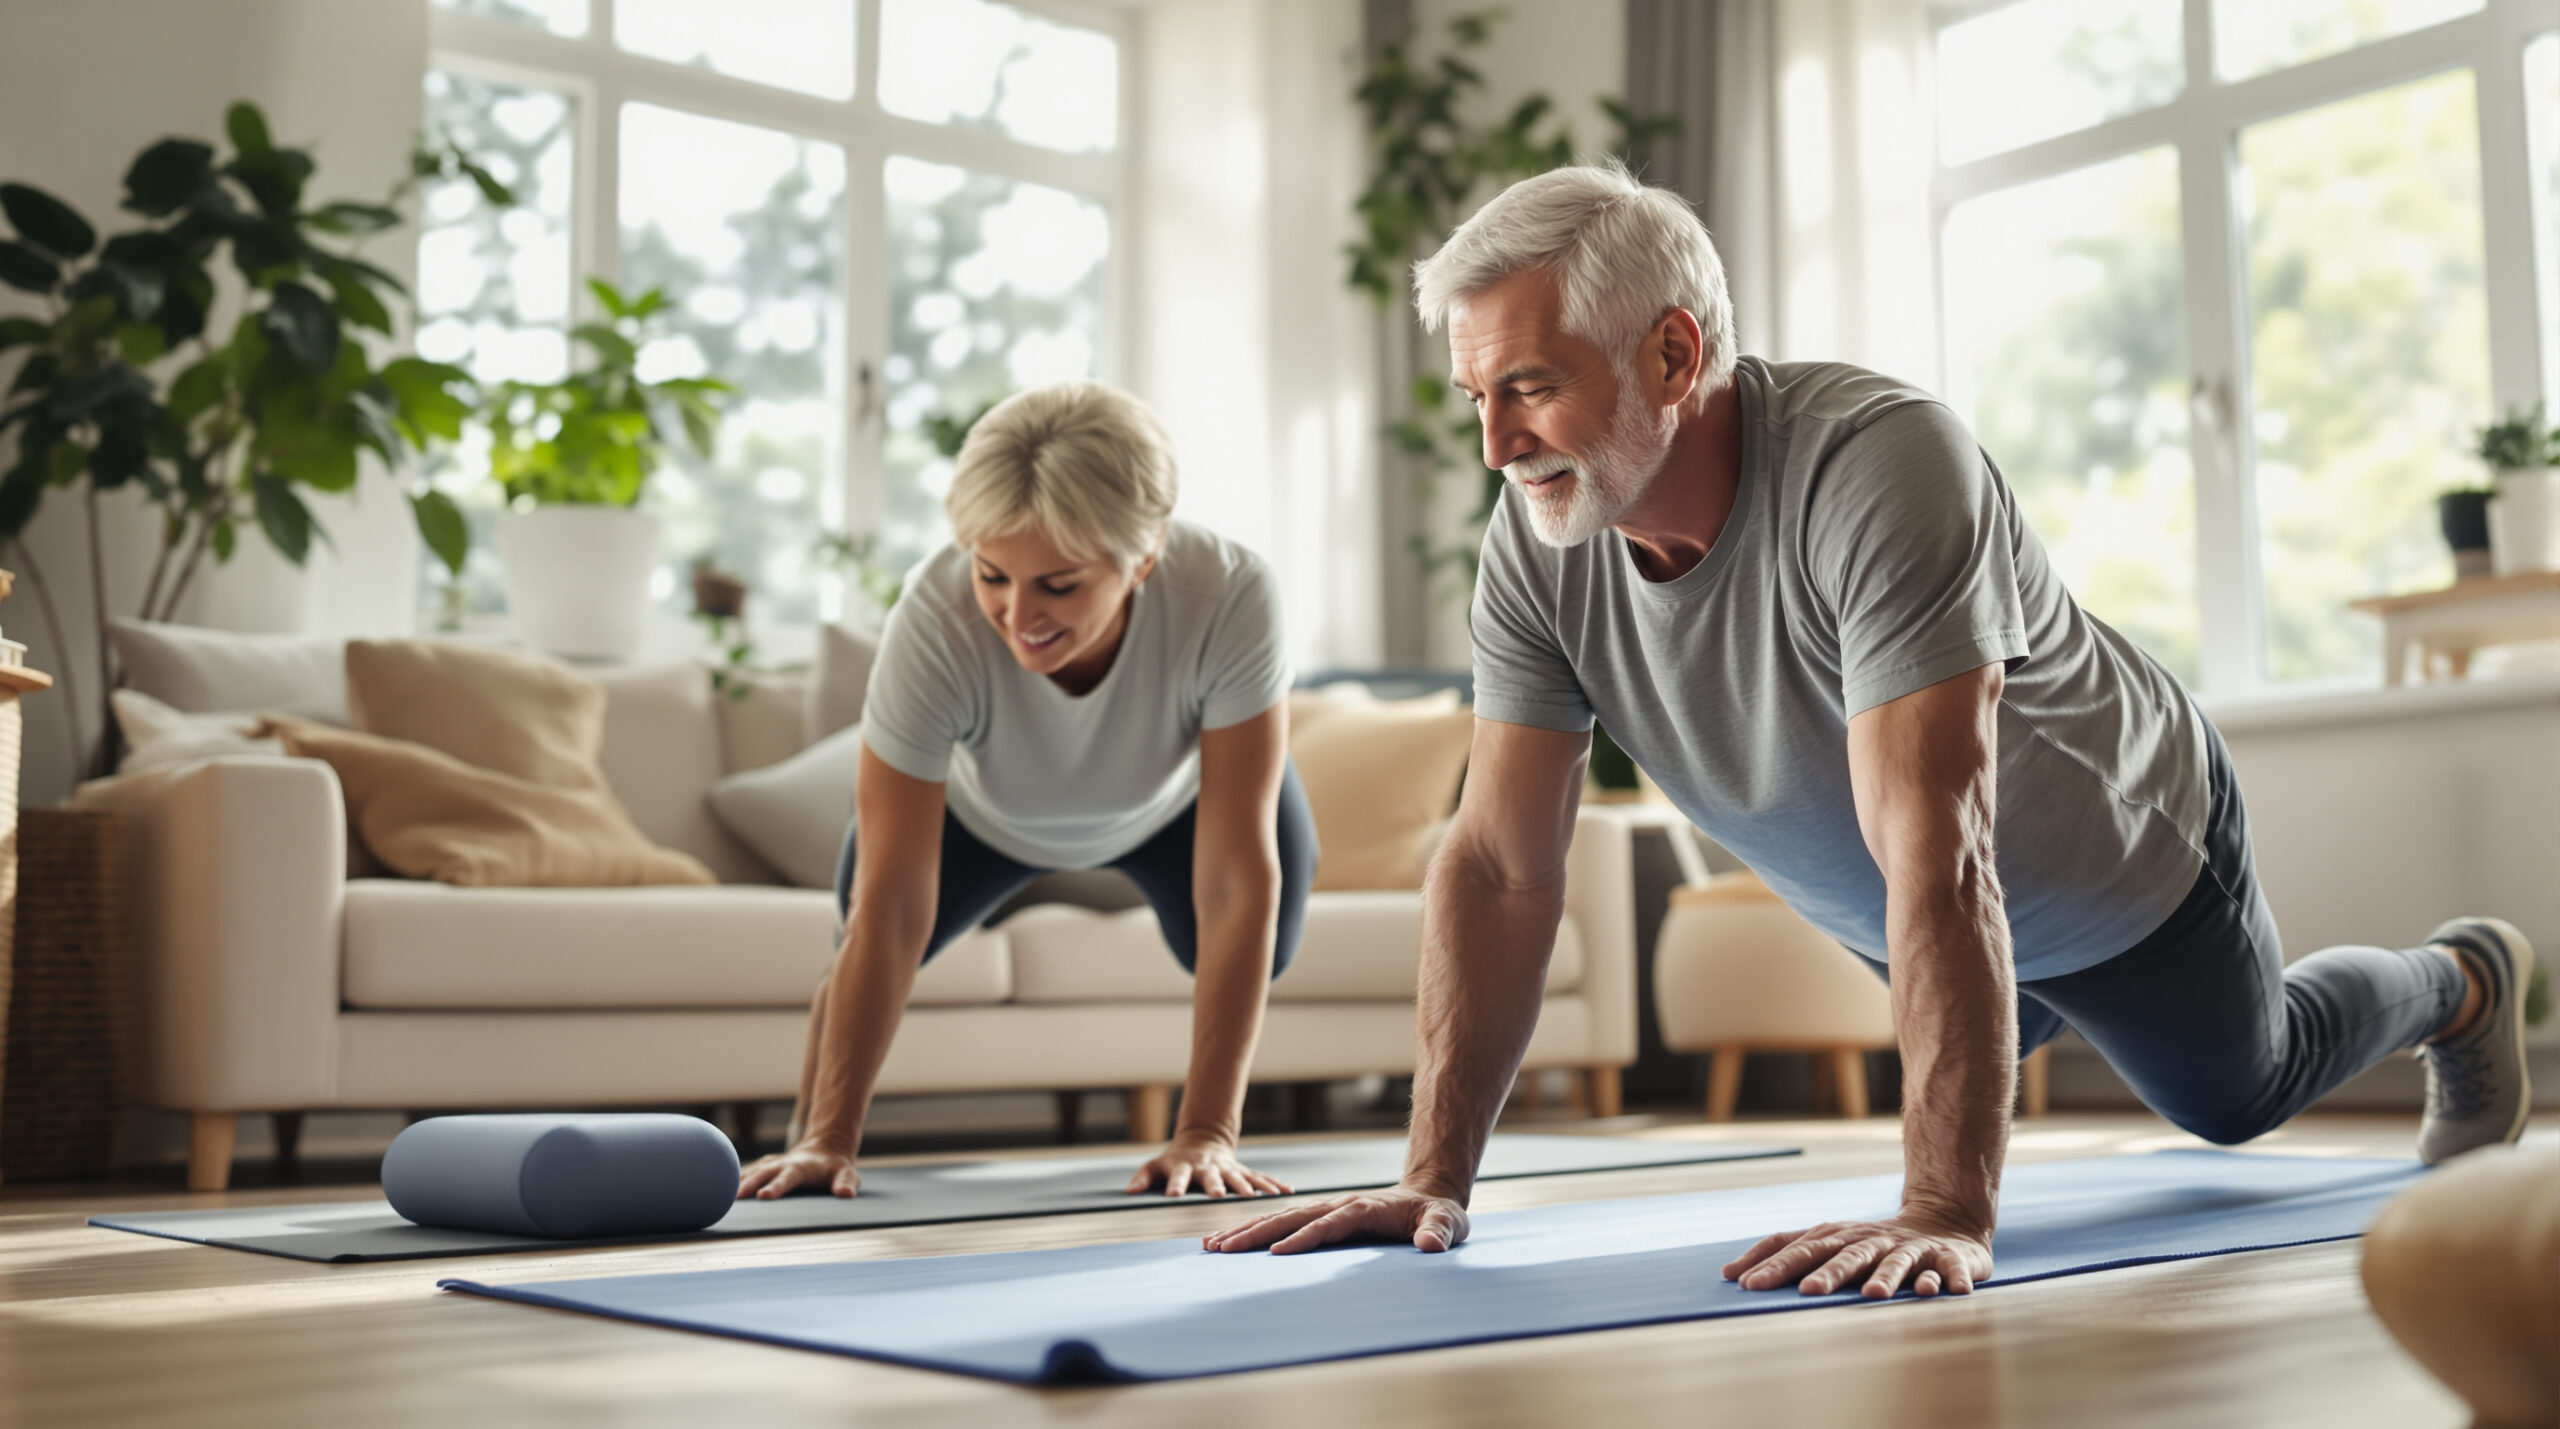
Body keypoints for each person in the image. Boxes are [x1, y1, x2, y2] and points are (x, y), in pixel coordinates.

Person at [1205, 162, 2536, 1296]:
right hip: (1912, 905)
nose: (1496, 445)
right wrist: (1431, 1180)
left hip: (2113, 858)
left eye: (1532, 387)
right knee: (1980, 1027)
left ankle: (2460, 979)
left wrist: (1944, 1211)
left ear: (1673, 353)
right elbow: (1500, 865)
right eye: (1478, 398)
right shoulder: (1543, 541)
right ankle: (2022, 1032)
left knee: (2238, 1094)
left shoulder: (1880, 463)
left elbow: (1945, 841)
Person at [739, 381, 1316, 1202]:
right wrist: (829, 1139)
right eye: (993, 574)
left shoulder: (1230, 593)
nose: (1017, 614)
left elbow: (1233, 883)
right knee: (863, 937)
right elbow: (894, 898)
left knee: (1265, 944)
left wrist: (1206, 1134)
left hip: (1178, 799)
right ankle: (811, 1145)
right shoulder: (933, 619)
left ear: (1142, 558)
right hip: (982, 814)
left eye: (1059, 584)